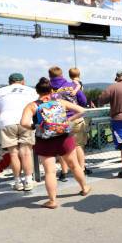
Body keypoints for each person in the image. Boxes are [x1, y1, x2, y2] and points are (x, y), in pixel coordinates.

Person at [20, 77, 91, 209]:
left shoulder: (32, 105)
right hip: (64, 137)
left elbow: (23, 123)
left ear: (37, 92)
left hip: (44, 140)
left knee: (50, 172)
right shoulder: (59, 101)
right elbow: (82, 110)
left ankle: (52, 201)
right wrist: (68, 120)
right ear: (52, 90)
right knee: (74, 165)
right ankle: (84, 187)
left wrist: (34, 127)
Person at [0, 72, 37, 191]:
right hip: (26, 121)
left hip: (6, 122)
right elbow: (36, 107)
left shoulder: (1, 91)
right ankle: (28, 181)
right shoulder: (30, 90)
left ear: (9, 82)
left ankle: (17, 182)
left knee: (13, 153)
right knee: (26, 153)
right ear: (23, 81)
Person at [48, 66, 90, 179]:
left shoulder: (49, 88)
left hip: (59, 121)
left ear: (50, 76)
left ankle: (64, 172)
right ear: (62, 75)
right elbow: (83, 101)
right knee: (78, 146)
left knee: (62, 147)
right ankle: (82, 169)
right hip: (75, 118)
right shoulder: (72, 86)